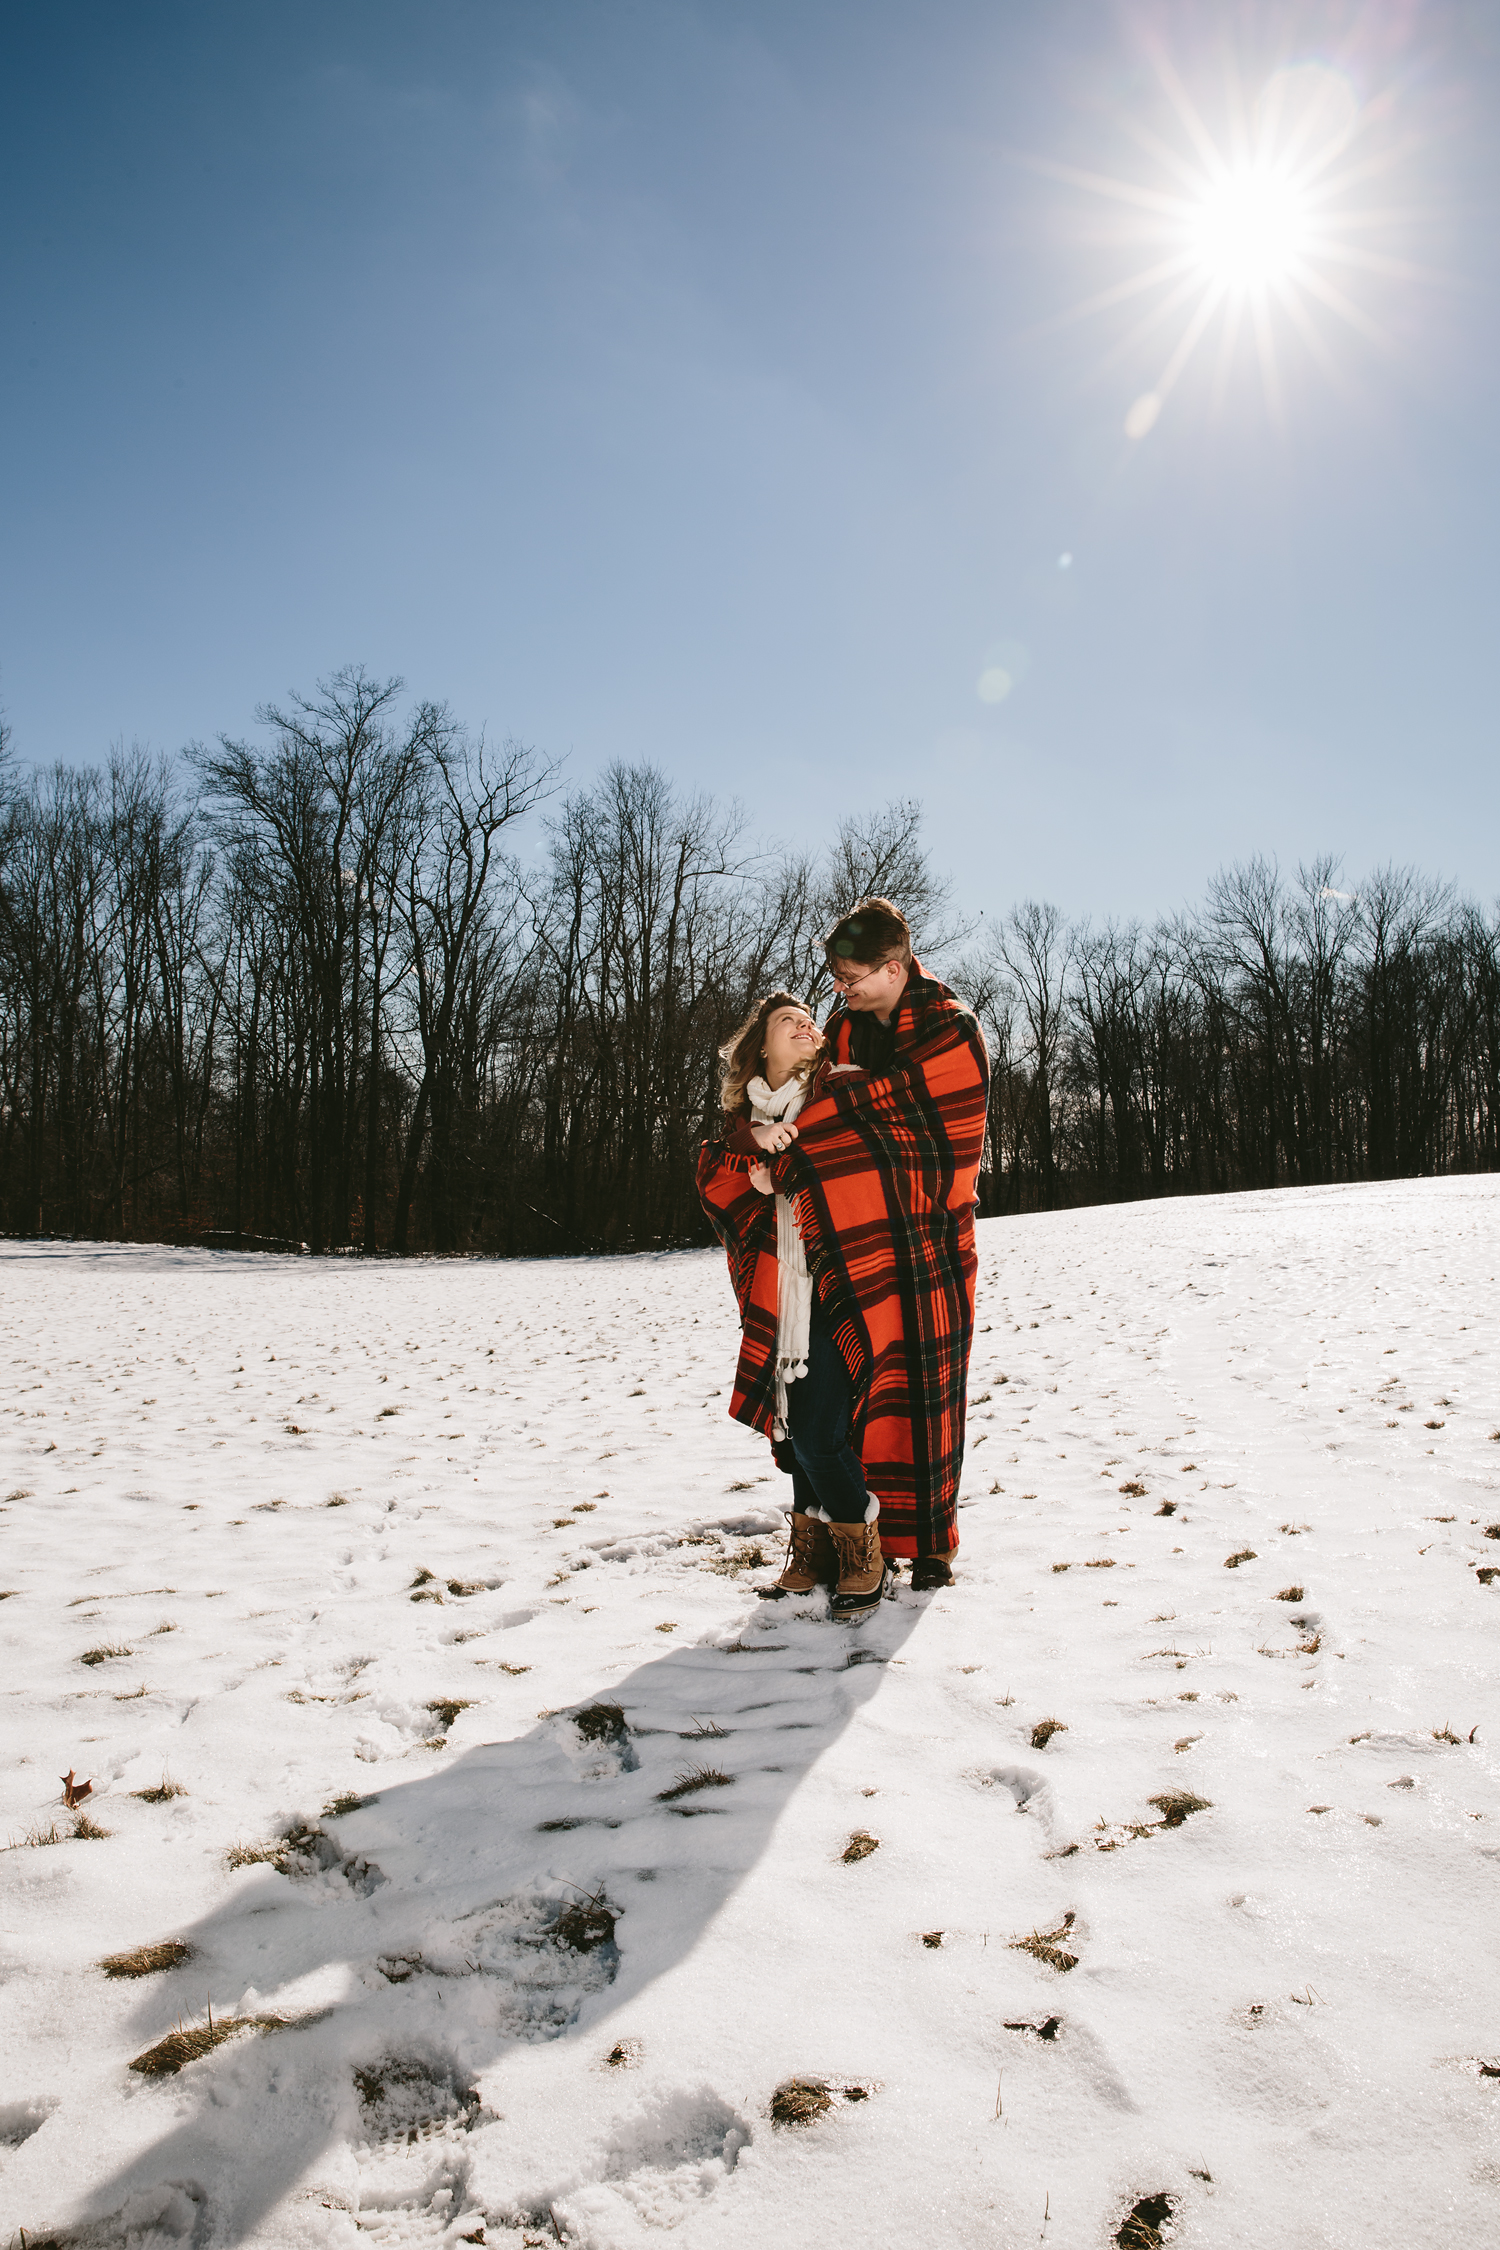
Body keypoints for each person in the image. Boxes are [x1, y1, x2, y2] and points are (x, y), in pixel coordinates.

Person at [699, 898, 989, 1600]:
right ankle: (857, 1540)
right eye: (836, 976)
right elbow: (794, 1098)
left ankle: (931, 1545)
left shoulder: (952, 1029)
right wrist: (758, 1142)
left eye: (852, 975)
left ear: (894, 969)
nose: (840, 988)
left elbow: (927, 1128)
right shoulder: (844, 1030)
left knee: (926, 1390)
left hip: (928, 1233)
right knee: (859, 1399)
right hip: (850, 1240)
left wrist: (802, 1143)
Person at [696, 992, 889, 1621]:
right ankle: (811, 1553)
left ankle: (864, 1550)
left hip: (841, 1289)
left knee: (818, 1434)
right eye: (788, 1021)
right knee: (793, 1429)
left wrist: (793, 1159)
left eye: (809, 1019)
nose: (805, 1024)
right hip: (781, 1298)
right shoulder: (739, 1129)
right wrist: (758, 1157)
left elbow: (866, 1159)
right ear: (762, 1047)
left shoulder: (839, 1093)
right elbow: (715, 1189)